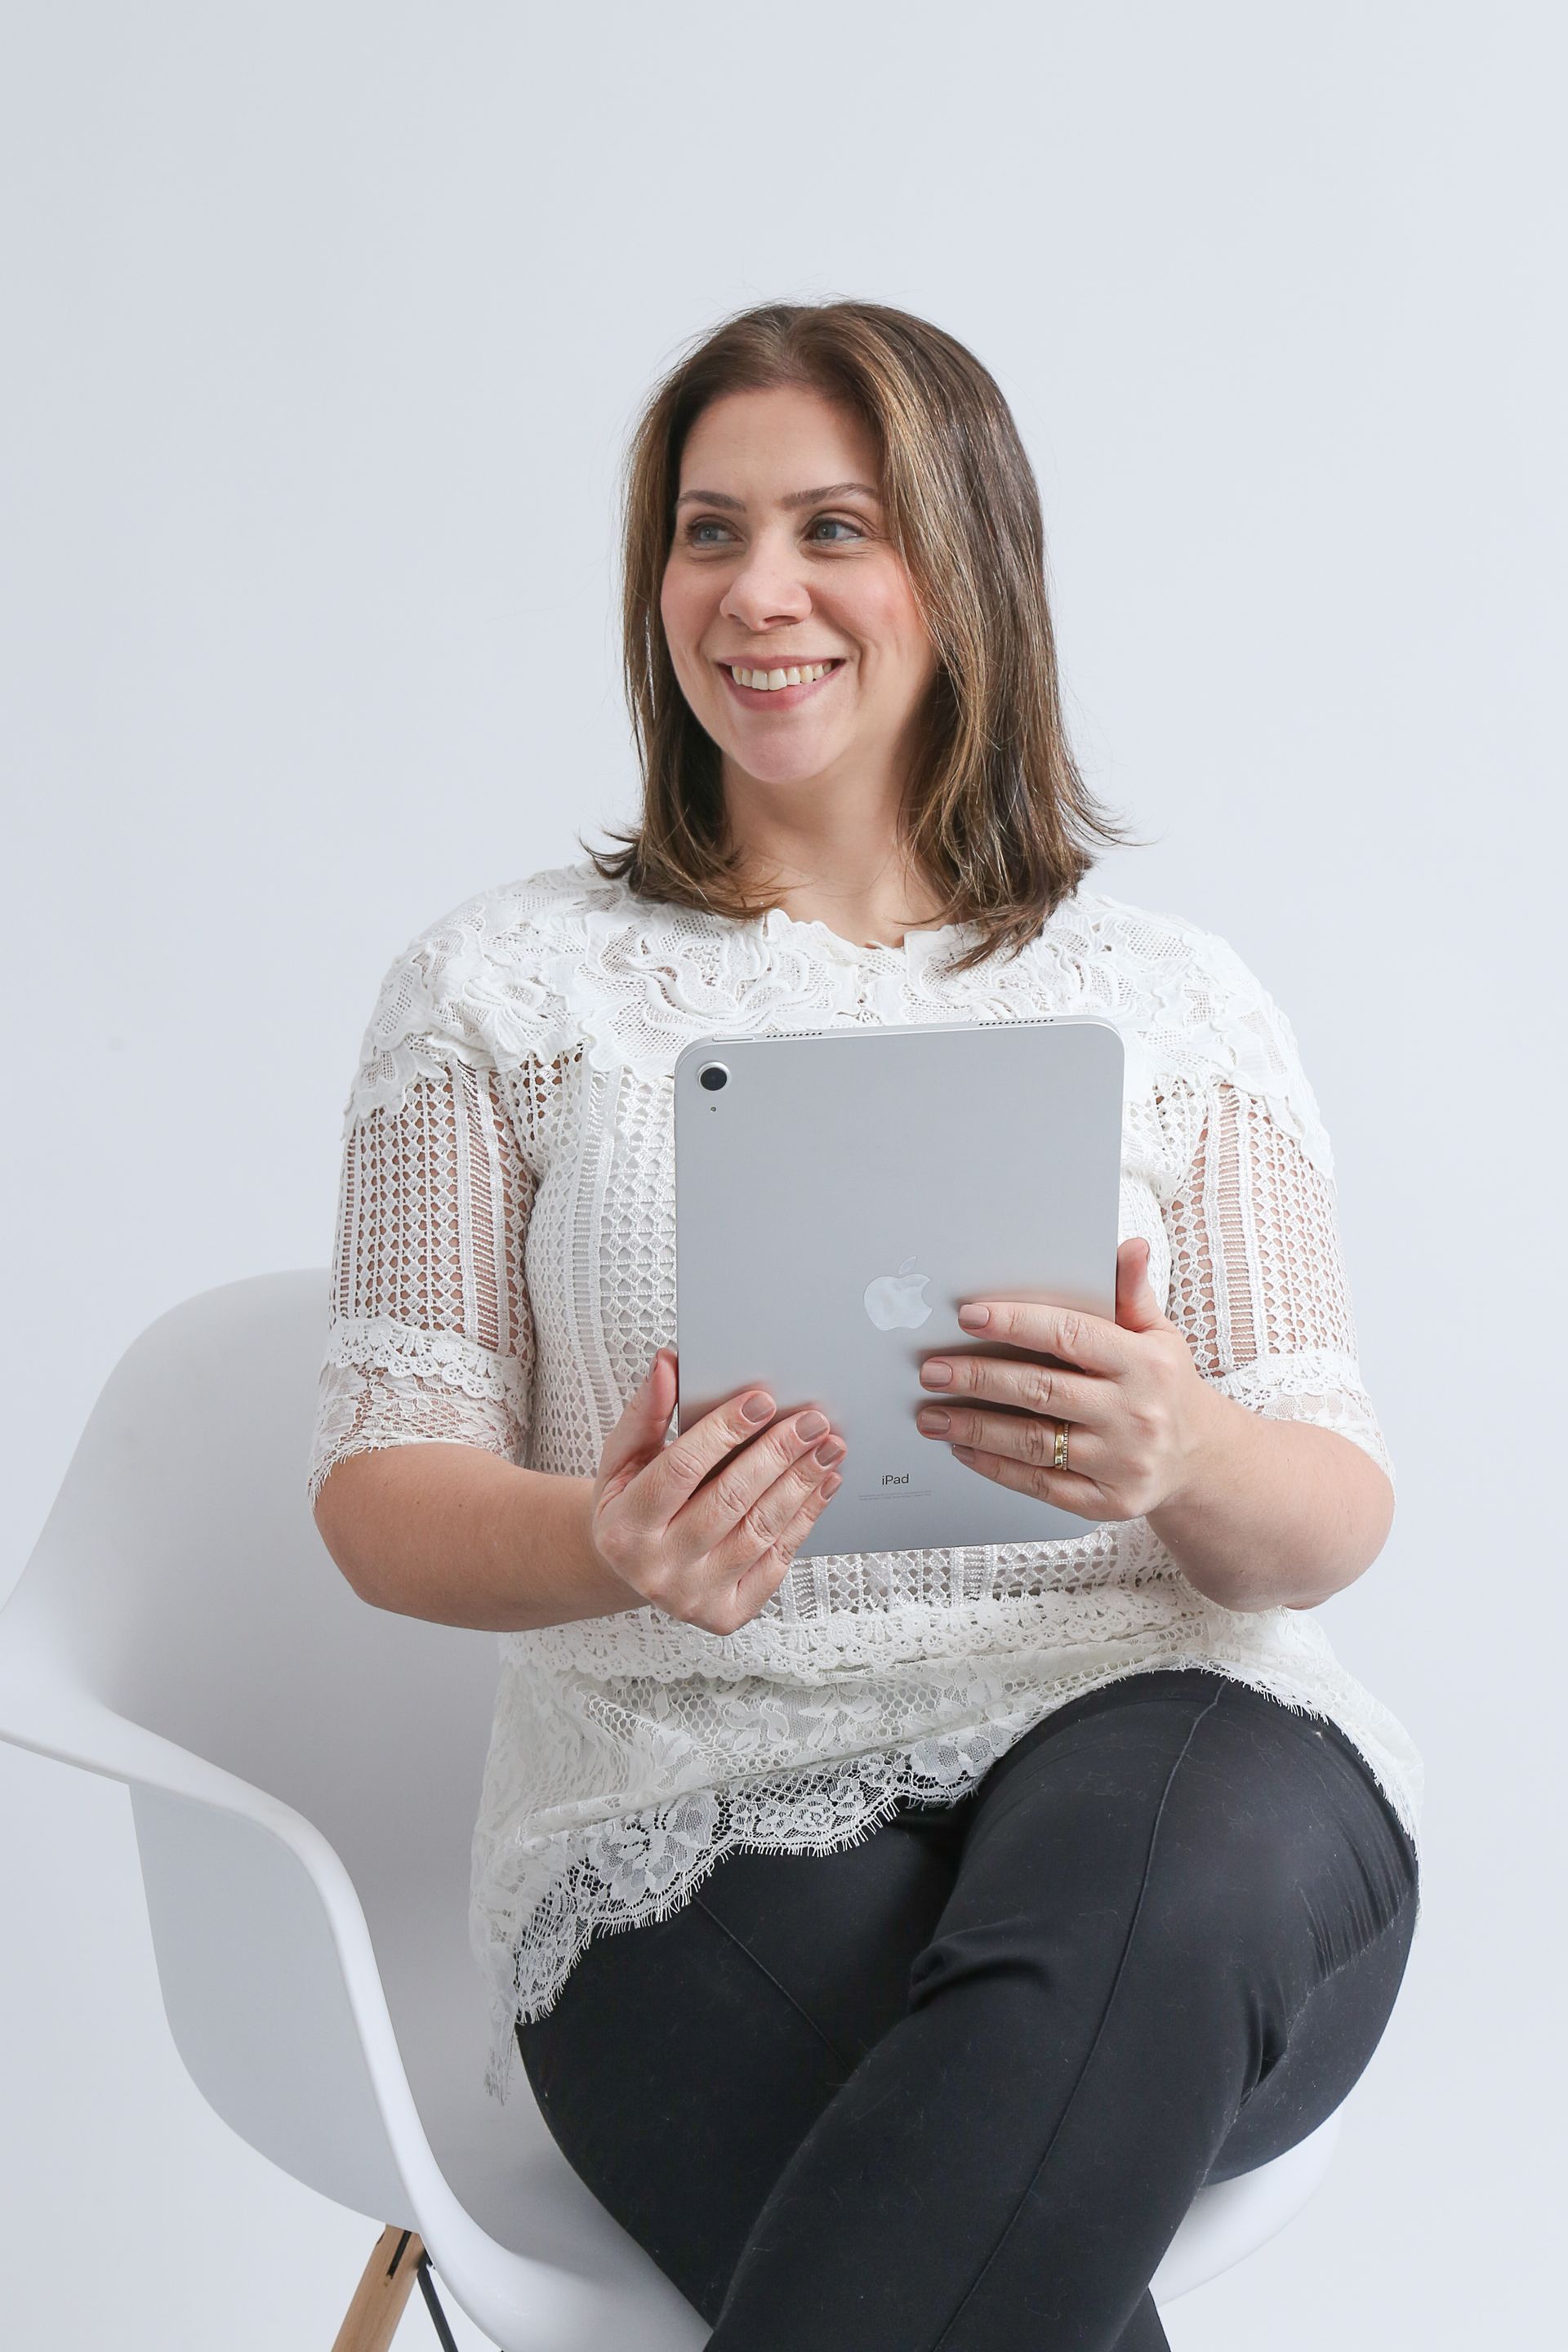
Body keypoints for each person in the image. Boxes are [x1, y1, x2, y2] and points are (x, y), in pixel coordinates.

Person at [308, 300, 1423, 2350]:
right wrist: (603, 1540)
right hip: (686, 1818)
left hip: (1170, 1771)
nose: (759, 593)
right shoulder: (496, 993)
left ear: (963, 569)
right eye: (708, 530)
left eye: (834, 527)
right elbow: (381, 1490)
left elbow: (1331, 1511)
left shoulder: (1178, 1002)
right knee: (975, 2209)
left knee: (1166, 1875)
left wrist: (1184, 1451)